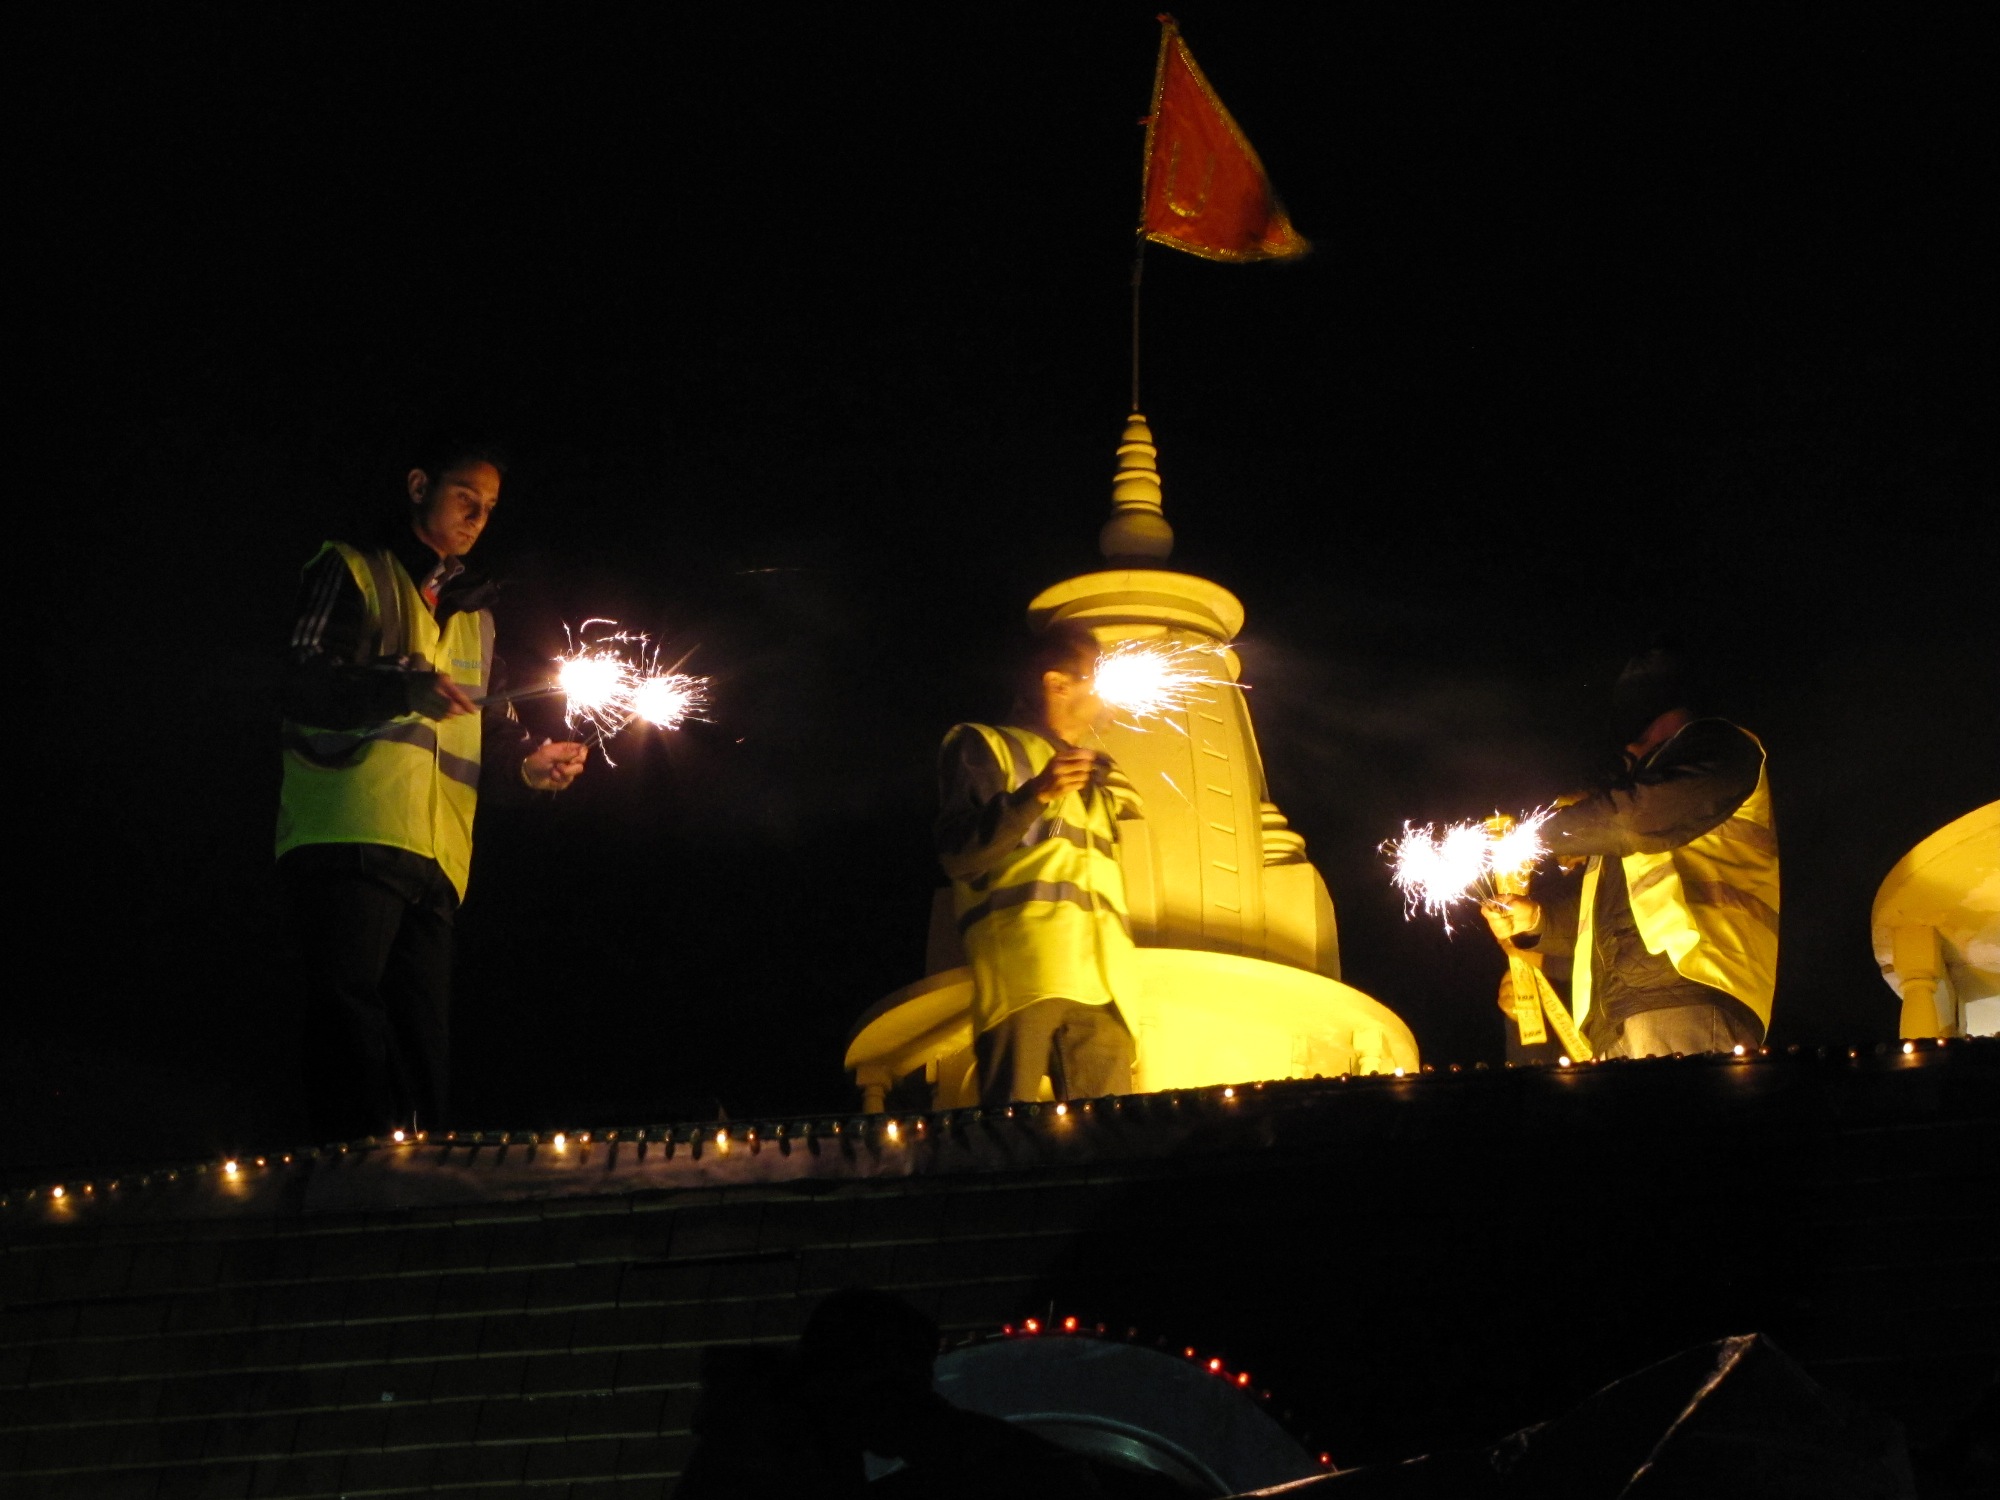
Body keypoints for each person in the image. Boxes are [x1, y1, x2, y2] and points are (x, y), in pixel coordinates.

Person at [276, 443, 588, 1140]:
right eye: (464, 499)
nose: (478, 519)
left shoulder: (478, 616)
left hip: (438, 853)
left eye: (490, 509)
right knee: (347, 1009)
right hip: (349, 828)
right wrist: (403, 688)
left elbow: (490, 727)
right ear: (418, 486)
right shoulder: (353, 567)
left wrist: (529, 768)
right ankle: (349, 1168)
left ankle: (421, 1180)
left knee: (423, 1037)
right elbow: (301, 678)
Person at [1482, 647, 1780, 1059]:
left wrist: (1538, 837)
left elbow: (1634, 820)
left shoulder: (1721, 746)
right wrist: (1537, 920)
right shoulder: (1630, 821)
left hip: (1687, 992)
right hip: (1614, 1018)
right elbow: (1606, 921)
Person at [934, 624, 1140, 1106]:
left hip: (1109, 988)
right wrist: (1037, 795)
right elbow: (961, 855)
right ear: (1057, 683)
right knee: (1013, 1137)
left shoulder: (1102, 779)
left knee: (1112, 1144)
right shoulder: (984, 744)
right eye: (1099, 675)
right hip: (1026, 975)